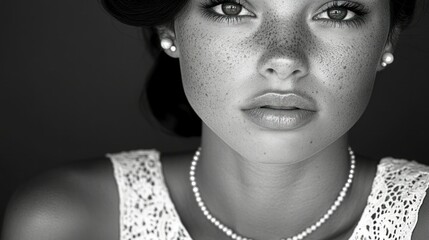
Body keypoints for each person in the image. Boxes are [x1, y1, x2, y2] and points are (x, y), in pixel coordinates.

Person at [2, 0, 429, 239]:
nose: (283, 59)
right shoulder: (66, 224)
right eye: (232, 7)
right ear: (169, 29)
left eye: (336, 11)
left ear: (388, 37)